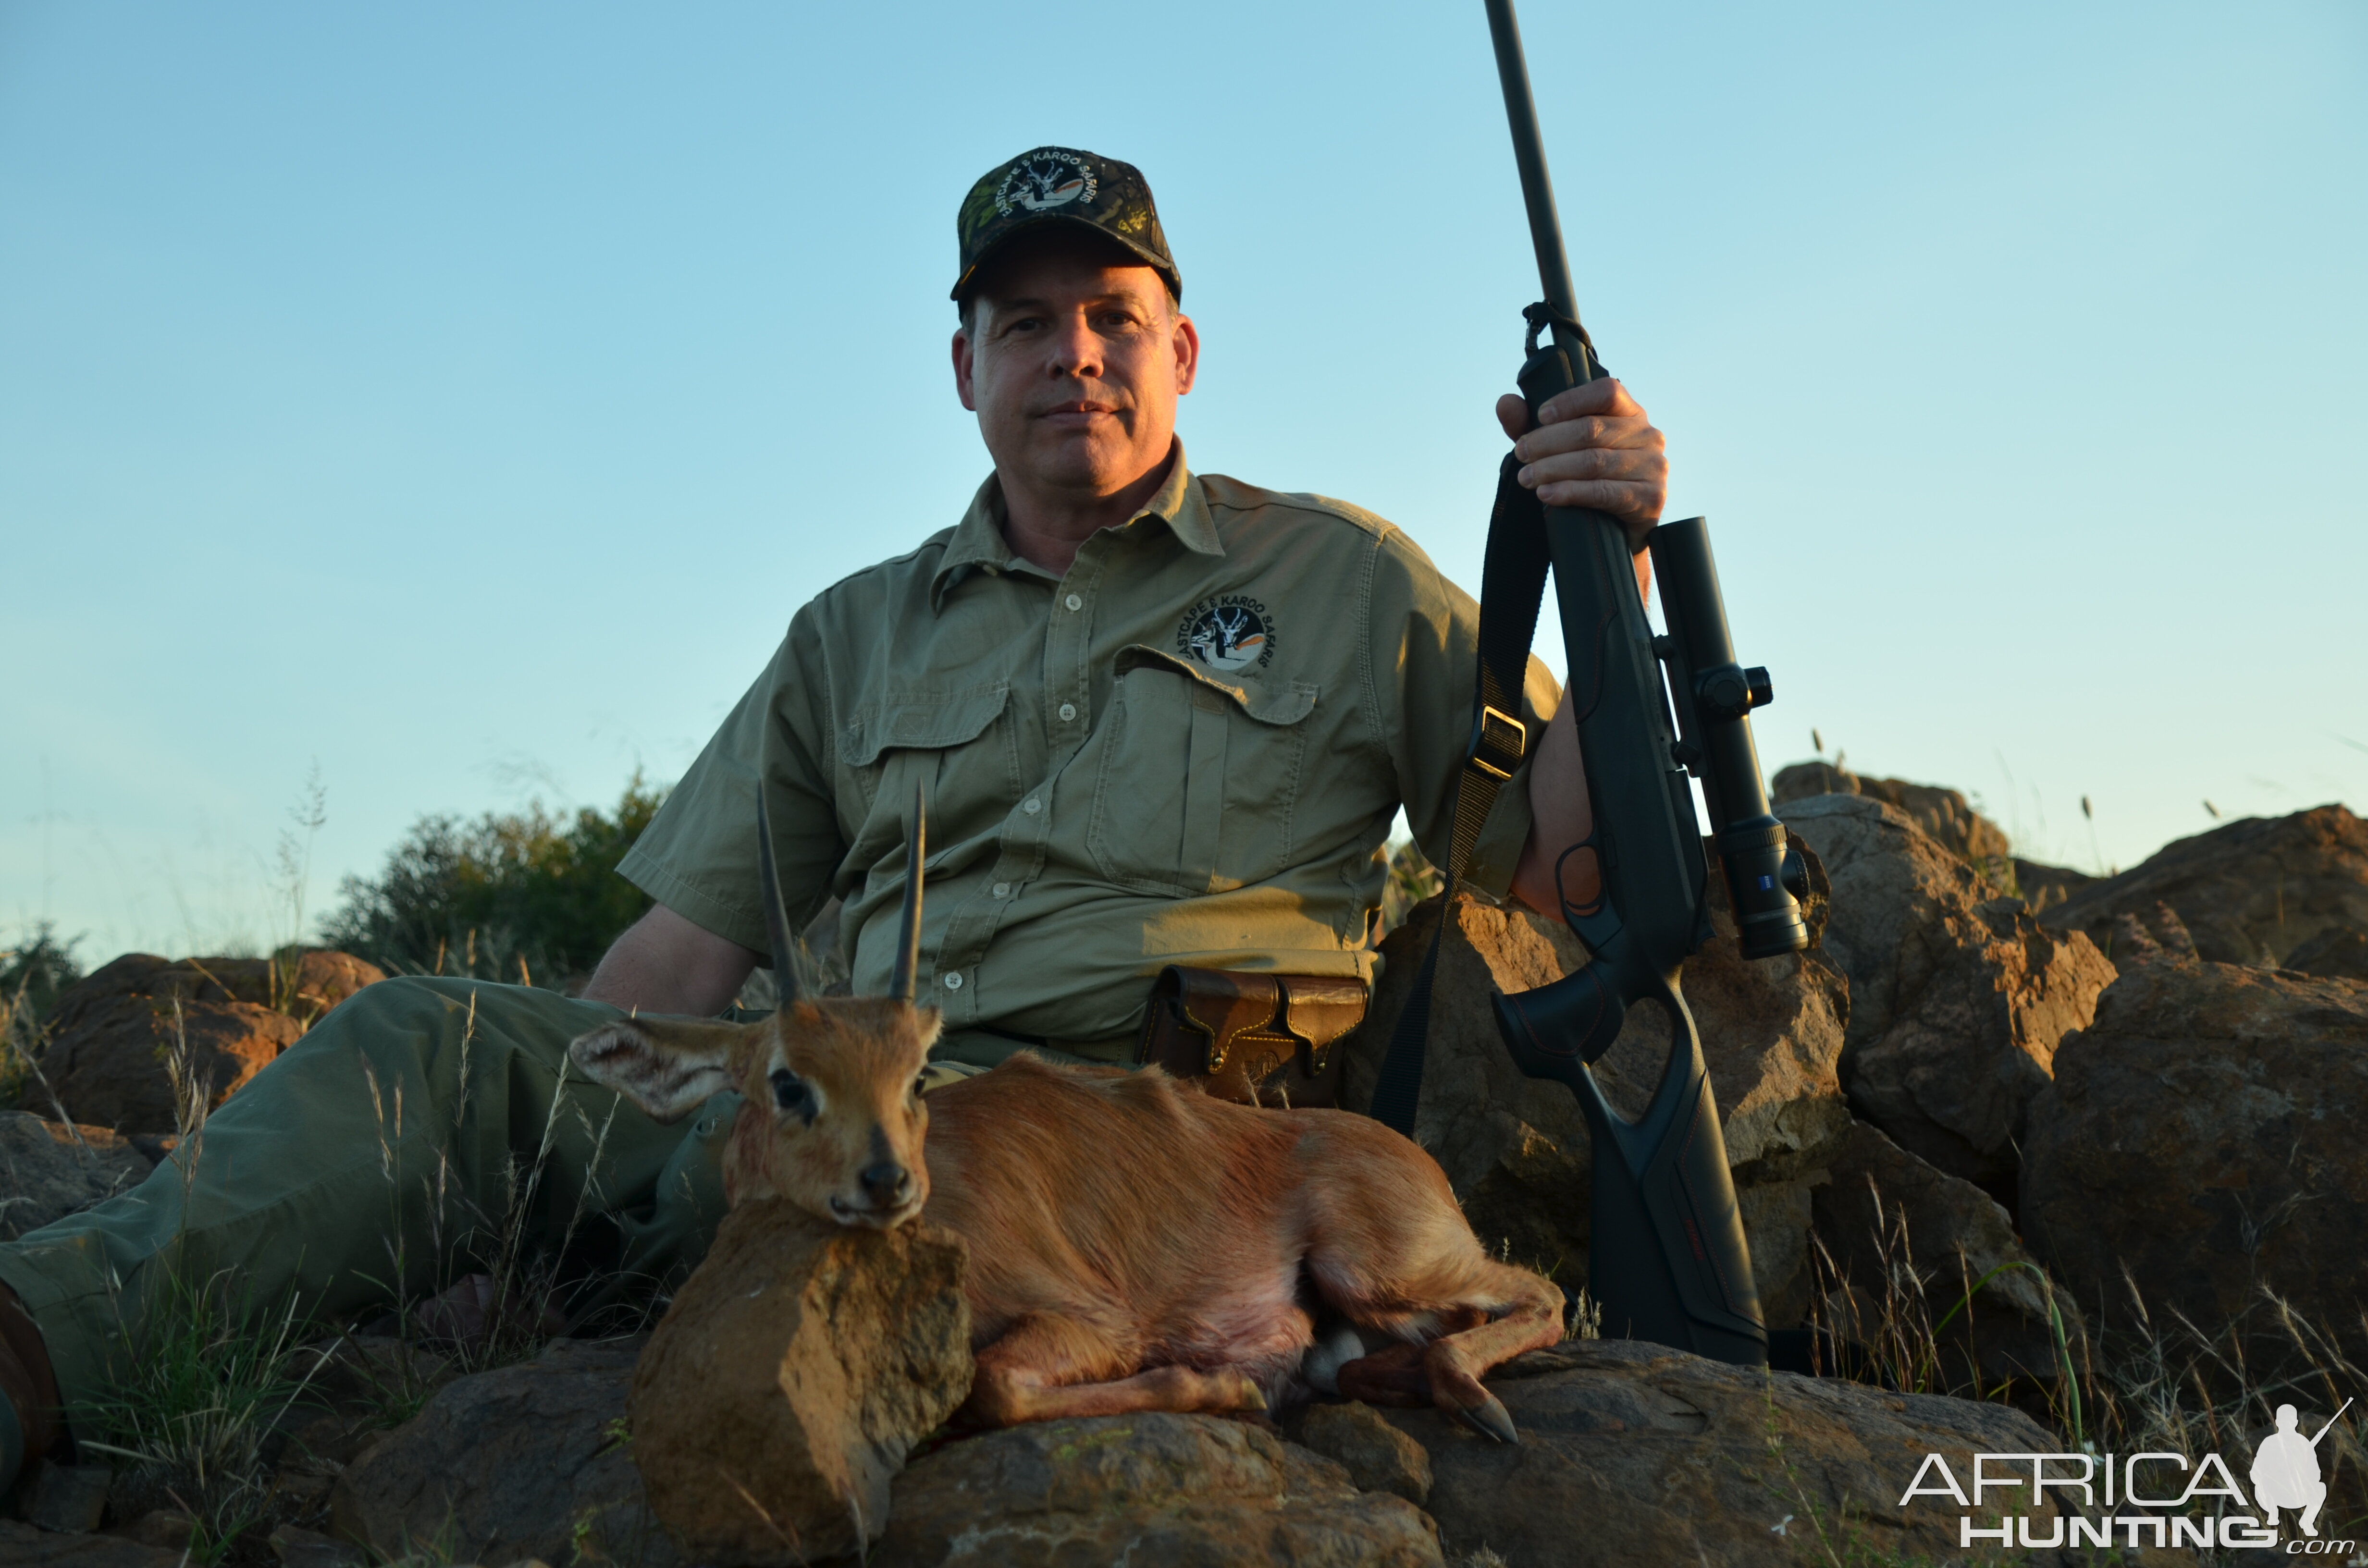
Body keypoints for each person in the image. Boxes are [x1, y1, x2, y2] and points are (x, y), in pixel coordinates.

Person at [0, 146, 1667, 1485]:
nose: (1066, 354)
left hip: (1104, 1152)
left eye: (1106, 312)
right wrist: (530, 1181)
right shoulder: (850, 632)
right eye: (1021, 325)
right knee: (423, 1041)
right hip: (831, 1105)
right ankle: (34, 1355)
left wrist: (1609, 562)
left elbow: (1557, 861)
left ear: (1179, 348)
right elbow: (673, 952)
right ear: (961, 367)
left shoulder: (1340, 578)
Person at [2252, 1401, 2337, 1536]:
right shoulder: (2270, 1442)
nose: (2287, 1424)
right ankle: (2273, 1514)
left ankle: (2307, 1521)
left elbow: (2316, 1473)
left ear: (2296, 1422)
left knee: (2320, 1488)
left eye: (2290, 1421)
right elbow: (2256, 1471)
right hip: (2275, 1493)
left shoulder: (2303, 1444)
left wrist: (2300, 1472)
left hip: (2299, 1493)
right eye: (2284, 1421)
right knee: (2261, 1485)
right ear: (2277, 1422)